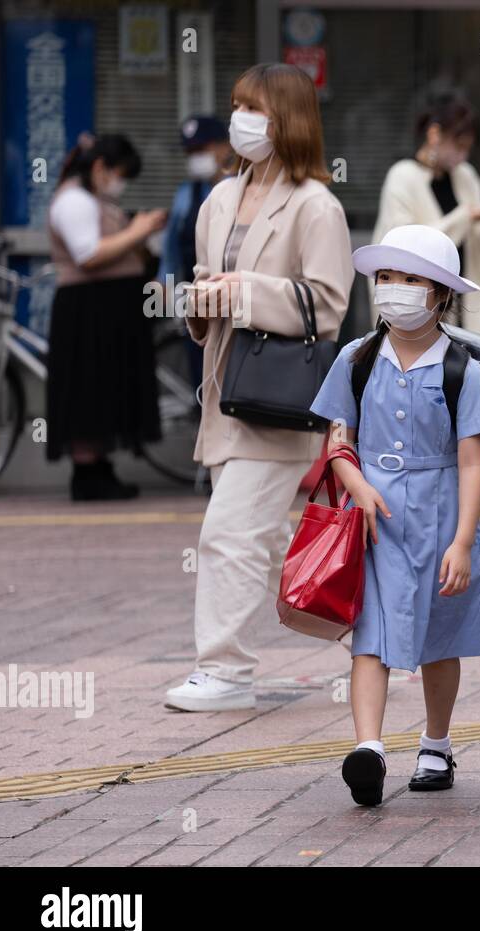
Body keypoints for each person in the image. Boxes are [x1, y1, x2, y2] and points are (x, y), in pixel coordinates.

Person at [164, 63, 353, 712]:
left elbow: (328, 305)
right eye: (238, 105)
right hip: (225, 393)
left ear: (288, 121)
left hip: (277, 400)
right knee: (271, 540)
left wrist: (240, 293)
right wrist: (201, 301)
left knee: (230, 533)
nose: (241, 120)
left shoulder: (316, 206)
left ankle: (225, 670)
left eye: (256, 109)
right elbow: (203, 285)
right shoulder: (218, 198)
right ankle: (368, 632)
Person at [310, 225, 480, 807]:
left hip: (442, 514)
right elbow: (336, 440)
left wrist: (465, 540)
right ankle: (368, 748)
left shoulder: (462, 369)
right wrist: (356, 484)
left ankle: (436, 743)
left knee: (441, 638)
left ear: (441, 294)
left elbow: (473, 462)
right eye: (386, 278)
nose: (395, 290)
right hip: (372, 521)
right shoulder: (357, 357)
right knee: (369, 634)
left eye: (411, 279)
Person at [371, 90, 480, 507]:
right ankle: (435, 470)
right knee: (426, 387)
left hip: (465, 299)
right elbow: (407, 247)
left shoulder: (466, 179)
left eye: (467, 147)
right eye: (457, 144)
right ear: (433, 133)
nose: (461, 155)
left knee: (479, 384)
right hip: (418, 305)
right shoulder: (402, 177)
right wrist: (468, 215)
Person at [45, 132, 166, 500]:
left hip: (107, 311)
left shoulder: (94, 199)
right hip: (88, 312)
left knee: (105, 388)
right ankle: (88, 472)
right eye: (119, 173)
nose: (121, 182)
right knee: (88, 389)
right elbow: (89, 255)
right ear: (100, 167)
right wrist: (139, 231)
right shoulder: (74, 201)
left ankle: (99, 466)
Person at [159, 115, 232, 394]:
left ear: (225, 147)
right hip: (196, 297)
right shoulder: (187, 193)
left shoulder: (243, 189)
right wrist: (164, 281)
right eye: (190, 152)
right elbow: (172, 245)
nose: (196, 158)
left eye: (202, 149)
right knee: (201, 377)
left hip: (237, 296)